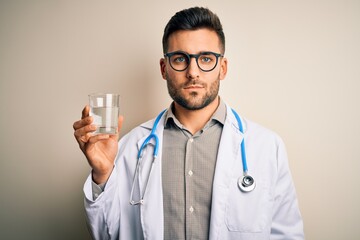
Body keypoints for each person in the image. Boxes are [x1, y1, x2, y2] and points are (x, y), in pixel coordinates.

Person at [73, 7, 304, 240]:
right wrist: (102, 175)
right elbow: (106, 235)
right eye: (180, 59)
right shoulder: (131, 147)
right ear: (164, 69)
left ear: (222, 68)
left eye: (206, 58)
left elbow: (287, 235)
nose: (193, 72)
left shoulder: (266, 147)